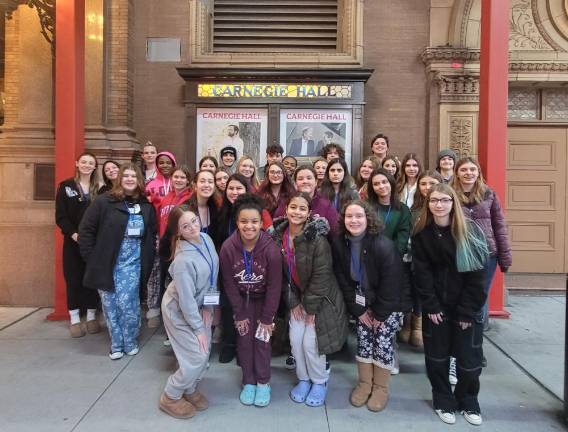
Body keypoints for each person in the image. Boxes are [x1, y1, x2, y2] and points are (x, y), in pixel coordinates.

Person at [412, 183, 489, 425]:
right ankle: (443, 399)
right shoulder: (422, 234)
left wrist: (468, 311)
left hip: (466, 306)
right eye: (434, 200)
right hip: (437, 307)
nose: (439, 205)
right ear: (428, 204)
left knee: (468, 360)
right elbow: (421, 274)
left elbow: (478, 277)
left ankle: (469, 400)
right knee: (437, 358)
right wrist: (431, 306)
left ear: (453, 203)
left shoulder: (471, 233)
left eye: (444, 200)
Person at [272, 192, 348, 407]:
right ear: (286, 210)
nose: (297, 212)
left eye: (302, 208)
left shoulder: (317, 239)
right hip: (297, 298)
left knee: (311, 343)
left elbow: (322, 275)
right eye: (293, 207)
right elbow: (282, 276)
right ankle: (304, 379)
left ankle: (319, 382)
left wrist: (310, 308)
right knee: (296, 340)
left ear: (309, 213)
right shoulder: (278, 236)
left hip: (322, 300)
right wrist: (294, 302)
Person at [332, 200, 404, 412]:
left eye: (359, 216)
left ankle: (380, 387)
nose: (354, 220)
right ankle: (364, 383)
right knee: (364, 342)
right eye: (349, 216)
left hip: (388, 304)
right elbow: (343, 280)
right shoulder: (339, 243)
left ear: (368, 219)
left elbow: (392, 285)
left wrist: (379, 315)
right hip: (362, 303)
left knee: (381, 343)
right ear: (343, 220)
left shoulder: (383, 245)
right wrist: (360, 310)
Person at [79, 163, 157, 359]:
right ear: (120, 179)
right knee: (110, 304)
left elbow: (151, 234)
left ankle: (130, 339)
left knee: (128, 303)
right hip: (106, 263)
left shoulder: (147, 206)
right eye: (126, 176)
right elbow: (86, 230)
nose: (130, 179)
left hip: (133, 263)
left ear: (139, 181)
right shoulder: (104, 201)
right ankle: (116, 343)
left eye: (134, 176)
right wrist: (92, 258)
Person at [220, 194, 282, 407]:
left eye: (254, 221)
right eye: (244, 221)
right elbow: (228, 283)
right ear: (237, 222)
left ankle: (263, 382)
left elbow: (275, 287)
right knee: (244, 343)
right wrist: (239, 312)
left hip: (264, 302)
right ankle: (249, 381)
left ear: (261, 222)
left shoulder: (271, 249)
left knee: (262, 342)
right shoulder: (228, 248)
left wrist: (267, 318)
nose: (249, 226)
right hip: (242, 304)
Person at [158, 205, 218, 419]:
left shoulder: (206, 239)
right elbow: (185, 301)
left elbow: (214, 275)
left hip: (201, 306)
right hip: (179, 310)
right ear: (178, 232)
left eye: (194, 220)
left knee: (205, 351)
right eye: (185, 225)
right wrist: (198, 328)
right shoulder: (183, 261)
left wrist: (209, 309)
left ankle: (189, 389)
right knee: (196, 357)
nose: (193, 227)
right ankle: (171, 394)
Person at [215, 175, 274, 364]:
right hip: (228, 266)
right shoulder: (220, 212)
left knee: (250, 315)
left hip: (253, 272)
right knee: (229, 307)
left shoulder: (258, 212)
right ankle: (230, 344)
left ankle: (246, 353)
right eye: (230, 188)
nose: (234, 192)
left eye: (239, 188)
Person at [452, 157, 512, 333]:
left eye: (472, 169)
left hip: (487, 254)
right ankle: (462, 336)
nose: (468, 173)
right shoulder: (450, 194)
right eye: (464, 170)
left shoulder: (489, 194)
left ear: (478, 172)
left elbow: (499, 225)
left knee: (480, 295)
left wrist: (505, 257)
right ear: (457, 173)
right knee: (462, 293)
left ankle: (477, 338)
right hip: (460, 251)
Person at [55, 152, 101, 338]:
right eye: (84, 162)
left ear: (95, 166)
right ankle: (74, 318)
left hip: (94, 244)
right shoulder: (66, 187)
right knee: (73, 279)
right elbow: (61, 216)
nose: (87, 165)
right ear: (77, 163)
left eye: (91, 163)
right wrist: (73, 234)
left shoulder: (101, 189)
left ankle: (91, 316)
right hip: (73, 242)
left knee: (91, 279)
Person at [400, 170, 444, 349]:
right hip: (414, 258)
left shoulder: (445, 206)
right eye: (423, 184)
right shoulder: (414, 209)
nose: (427, 187)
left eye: (432, 183)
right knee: (413, 290)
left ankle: (420, 327)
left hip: (438, 261)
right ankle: (410, 323)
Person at [145, 151, 176, 327]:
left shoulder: (179, 182)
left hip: (175, 235)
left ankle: (171, 310)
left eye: (168, 162)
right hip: (157, 233)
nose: (165, 165)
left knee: (172, 274)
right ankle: (153, 308)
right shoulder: (151, 184)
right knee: (156, 272)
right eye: (161, 162)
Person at [273, 165, 339, 236]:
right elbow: (276, 228)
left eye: (309, 178)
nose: (305, 181)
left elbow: (335, 232)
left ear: (316, 182)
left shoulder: (325, 204)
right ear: (295, 183)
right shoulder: (287, 202)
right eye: (300, 179)